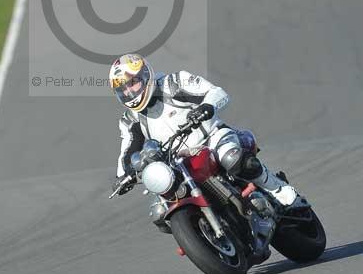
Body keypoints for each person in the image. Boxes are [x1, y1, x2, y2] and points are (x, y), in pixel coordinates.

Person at [109, 52, 298, 207]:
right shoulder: (130, 119)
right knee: (161, 205)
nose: (130, 92)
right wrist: (122, 176)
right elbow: (128, 150)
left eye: (132, 83)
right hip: (178, 163)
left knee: (231, 157)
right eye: (123, 89)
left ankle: (276, 188)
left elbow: (217, 93)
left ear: (145, 75)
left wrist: (206, 107)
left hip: (212, 139)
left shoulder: (173, 83)